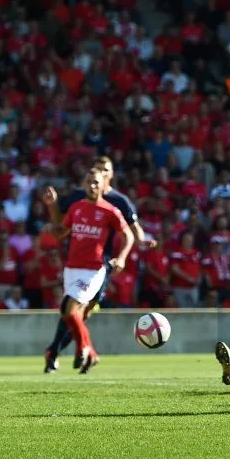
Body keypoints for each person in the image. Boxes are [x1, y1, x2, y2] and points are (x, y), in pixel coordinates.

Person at [42, 156, 155, 372]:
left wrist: (122, 257)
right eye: (89, 182)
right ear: (83, 184)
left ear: (105, 181)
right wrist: (51, 215)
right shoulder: (76, 207)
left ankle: (74, 349)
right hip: (72, 267)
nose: (93, 185)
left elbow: (129, 234)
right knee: (74, 314)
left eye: (97, 182)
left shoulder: (112, 209)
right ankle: (87, 353)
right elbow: (61, 231)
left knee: (69, 307)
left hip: (95, 268)